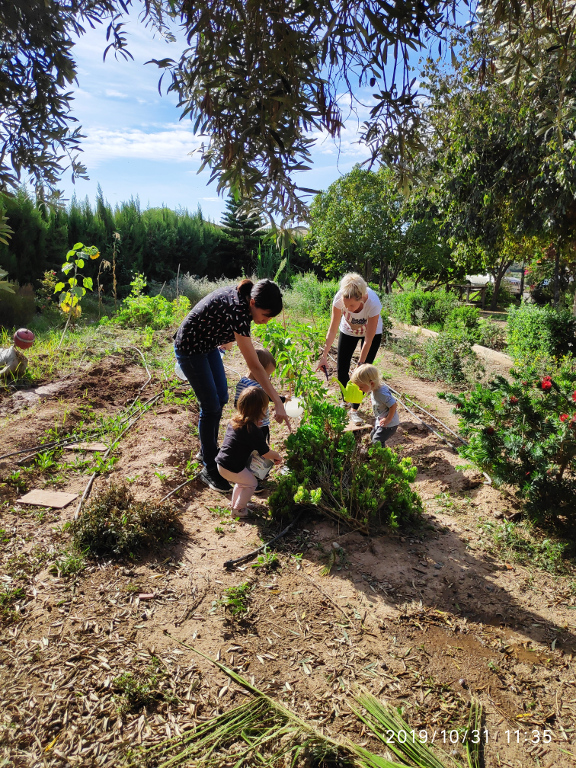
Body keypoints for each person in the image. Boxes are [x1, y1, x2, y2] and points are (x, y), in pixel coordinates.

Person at [174, 278, 289, 493]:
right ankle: (209, 466)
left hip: (206, 345)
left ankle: (207, 450)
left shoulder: (244, 303)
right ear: (253, 303)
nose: (266, 321)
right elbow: (255, 366)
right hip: (190, 349)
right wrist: (277, 401)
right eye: (266, 315)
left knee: (221, 398)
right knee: (211, 407)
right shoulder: (238, 311)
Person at [315, 273, 383, 426]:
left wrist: (359, 365)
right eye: (346, 304)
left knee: (362, 375)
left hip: (372, 334)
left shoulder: (373, 303)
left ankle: (354, 410)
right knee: (342, 369)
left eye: (351, 306)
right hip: (348, 331)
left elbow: (368, 339)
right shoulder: (340, 299)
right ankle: (346, 400)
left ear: (362, 298)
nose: (347, 308)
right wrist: (324, 355)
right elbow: (332, 330)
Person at [216, 386, 283, 518]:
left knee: (242, 483)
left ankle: (236, 503)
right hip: (233, 467)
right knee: (251, 483)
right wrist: (276, 456)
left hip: (222, 463)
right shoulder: (253, 431)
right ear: (261, 410)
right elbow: (265, 453)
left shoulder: (234, 422)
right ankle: (239, 509)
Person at [350, 364, 399, 445]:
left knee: (377, 441)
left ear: (371, 383)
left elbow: (393, 405)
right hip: (381, 421)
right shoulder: (375, 389)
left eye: (361, 386)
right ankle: (378, 453)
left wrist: (388, 419)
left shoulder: (381, 393)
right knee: (373, 436)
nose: (359, 389)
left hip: (389, 425)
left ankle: (380, 456)